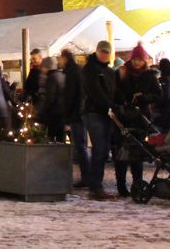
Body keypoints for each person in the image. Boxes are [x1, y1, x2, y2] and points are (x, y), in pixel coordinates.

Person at [114, 43, 161, 197]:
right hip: (123, 116)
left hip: (141, 117)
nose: (136, 63)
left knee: (137, 152)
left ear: (144, 61)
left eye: (140, 60)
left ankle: (137, 185)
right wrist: (123, 103)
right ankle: (121, 186)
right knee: (121, 152)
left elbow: (158, 95)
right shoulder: (122, 72)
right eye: (135, 59)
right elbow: (115, 91)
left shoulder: (149, 75)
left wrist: (144, 97)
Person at [81, 40, 117, 200]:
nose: (104, 54)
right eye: (102, 51)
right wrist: (110, 105)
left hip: (105, 113)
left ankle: (96, 184)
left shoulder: (108, 71)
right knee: (100, 148)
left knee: (103, 149)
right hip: (93, 112)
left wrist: (115, 106)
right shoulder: (90, 69)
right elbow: (95, 92)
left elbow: (113, 91)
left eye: (106, 52)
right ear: (97, 52)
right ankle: (95, 186)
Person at [59, 49, 89, 188]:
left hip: (76, 114)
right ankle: (86, 176)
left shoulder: (71, 72)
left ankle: (86, 177)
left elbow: (70, 96)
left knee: (80, 147)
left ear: (65, 58)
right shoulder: (78, 70)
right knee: (81, 146)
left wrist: (67, 117)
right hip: (81, 113)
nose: (59, 61)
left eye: (60, 58)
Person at [38, 56, 66, 142]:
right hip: (63, 111)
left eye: (43, 67)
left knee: (51, 137)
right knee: (61, 137)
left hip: (54, 113)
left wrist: (42, 112)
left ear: (47, 67)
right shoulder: (62, 75)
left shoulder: (51, 77)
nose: (41, 69)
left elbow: (50, 97)